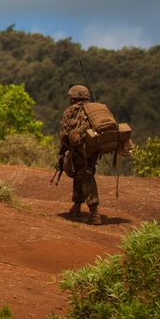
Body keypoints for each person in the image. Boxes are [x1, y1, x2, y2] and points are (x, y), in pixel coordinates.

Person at [57, 85, 103, 225]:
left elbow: (64, 134)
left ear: (73, 98)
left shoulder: (71, 111)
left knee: (85, 177)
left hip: (79, 150)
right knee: (81, 174)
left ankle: (94, 214)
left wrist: (62, 151)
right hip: (93, 150)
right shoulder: (93, 112)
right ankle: (76, 207)